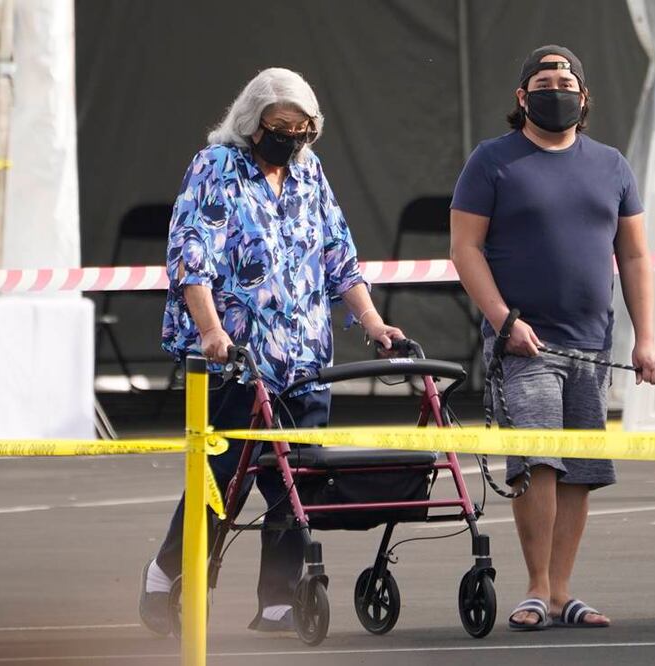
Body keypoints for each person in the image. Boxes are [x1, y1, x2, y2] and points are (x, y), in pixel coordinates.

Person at [138, 67, 404, 635]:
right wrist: (210, 330)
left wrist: (375, 323)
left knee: (297, 481)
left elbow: (339, 257)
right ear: (252, 121)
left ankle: (281, 600)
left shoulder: (310, 173)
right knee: (222, 478)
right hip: (235, 357)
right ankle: (167, 572)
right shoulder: (216, 167)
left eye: (304, 129)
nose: (292, 139)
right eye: (280, 127)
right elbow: (192, 253)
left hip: (303, 356)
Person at [450, 45, 655, 630]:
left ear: (584, 97)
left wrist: (647, 339)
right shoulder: (492, 161)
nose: (556, 89)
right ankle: (537, 589)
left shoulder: (613, 165)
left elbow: (636, 254)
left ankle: (564, 591)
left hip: (591, 345)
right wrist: (503, 321)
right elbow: (464, 249)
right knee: (537, 463)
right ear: (522, 97)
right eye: (544, 82)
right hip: (524, 347)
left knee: (579, 469)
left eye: (566, 81)